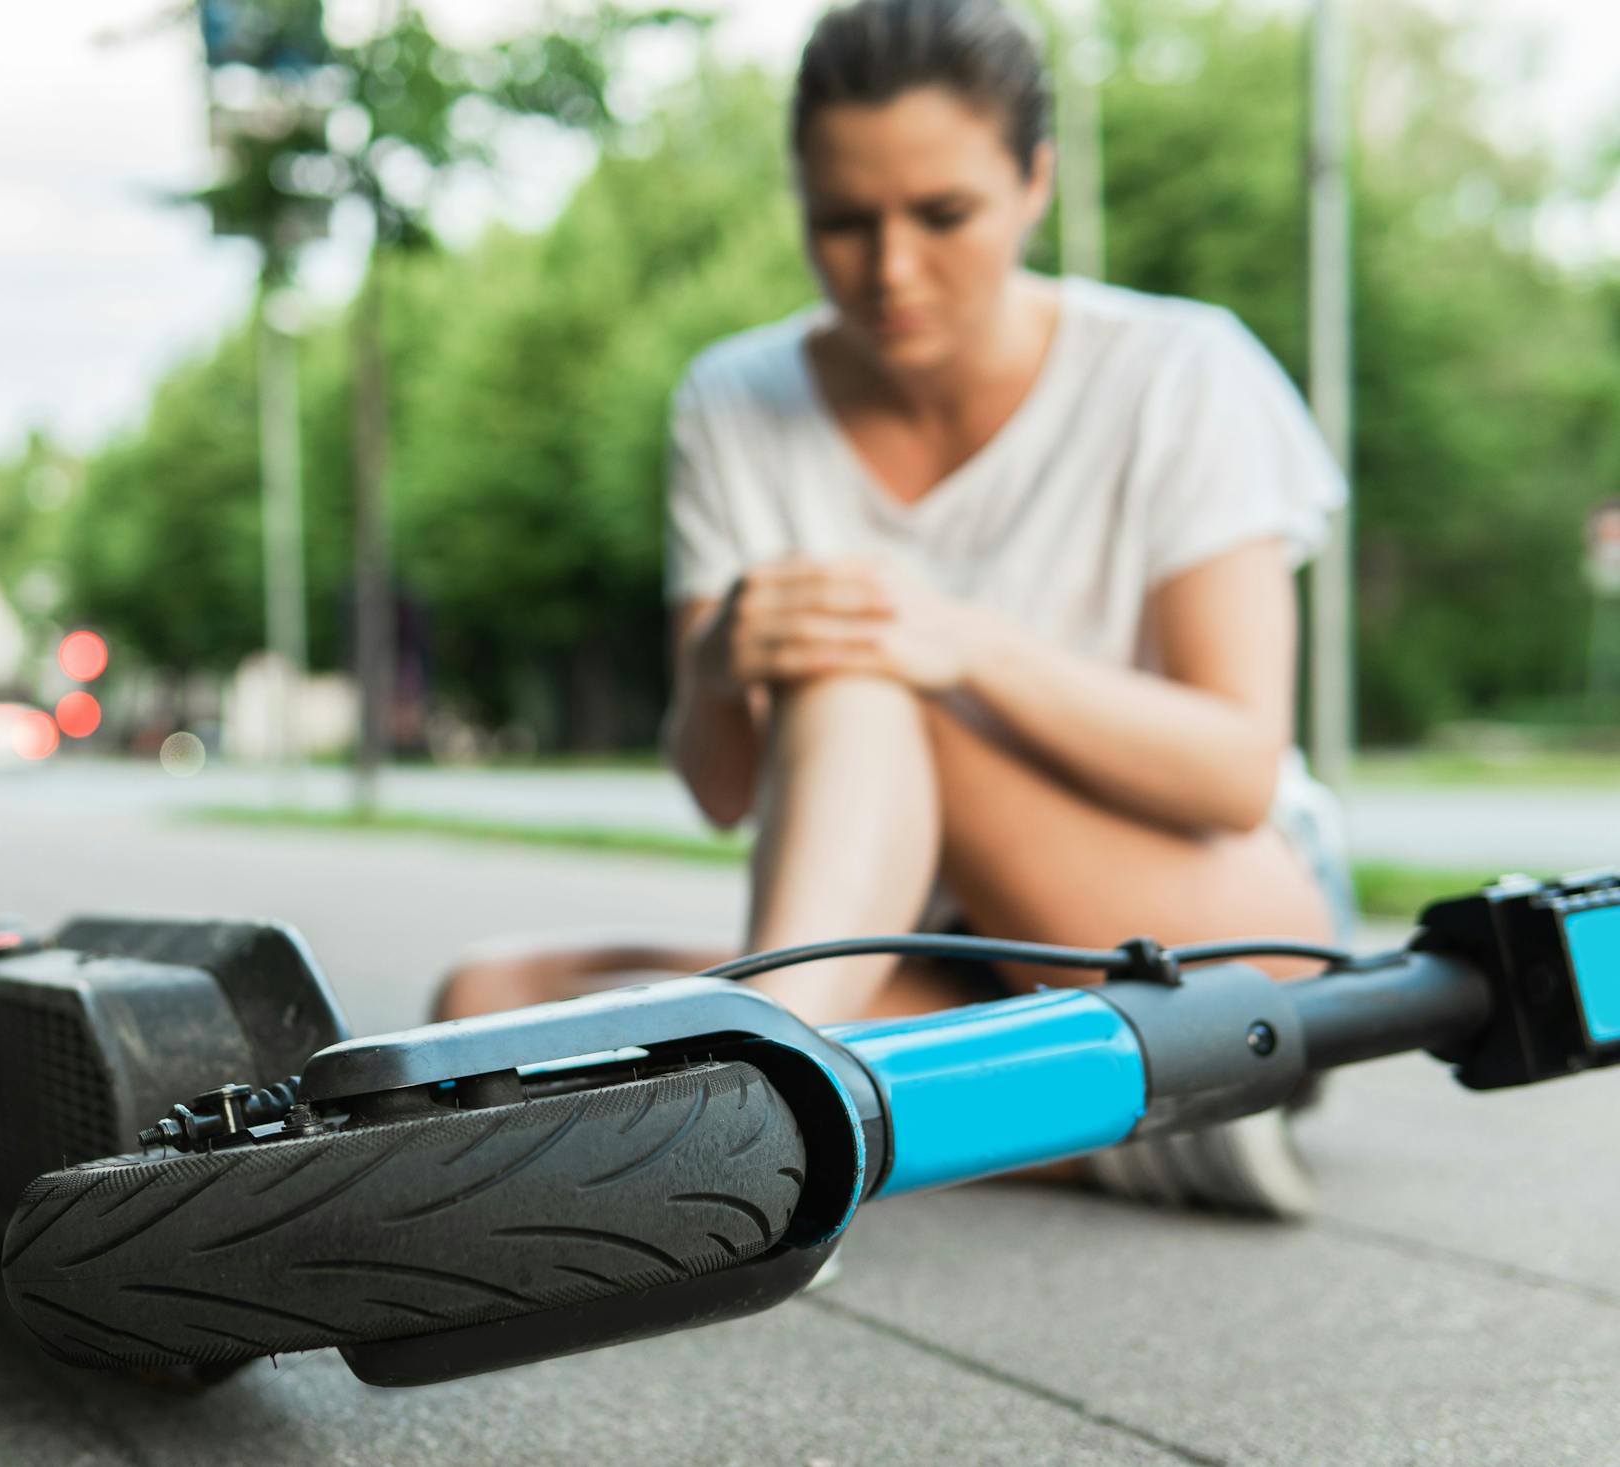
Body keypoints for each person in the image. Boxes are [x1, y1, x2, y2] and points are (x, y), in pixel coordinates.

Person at [434, 0, 1353, 1218]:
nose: (892, 270)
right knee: (482, 1005)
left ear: (1035, 181)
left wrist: (955, 644)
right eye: (843, 223)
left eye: (942, 215)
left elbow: (1236, 767)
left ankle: (758, 1098)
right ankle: (989, 1117)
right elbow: (722, 792)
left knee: (863, 657)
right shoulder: (734, 398)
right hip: (925, 939)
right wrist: (715, 669)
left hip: (1208, 931)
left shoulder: (1182, 369)